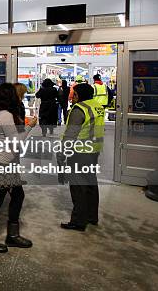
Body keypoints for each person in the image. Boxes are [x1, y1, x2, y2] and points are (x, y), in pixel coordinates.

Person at [0, 83, 37, 253]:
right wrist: (30, 126)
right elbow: (16, 142)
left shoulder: (2, 114)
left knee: (16, 196)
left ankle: (11, 235)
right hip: (3, 164)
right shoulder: (5, 116)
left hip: (4, 162)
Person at [60, 83, 104, 232]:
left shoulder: (79, 109)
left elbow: (70, 135)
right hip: (94, 150)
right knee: (91, 184)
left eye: (74, 94)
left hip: (79, 152)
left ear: (79, 95)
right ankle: (92, 216)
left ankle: (79, 221)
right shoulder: (97, 106)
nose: (72, 97)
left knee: (78, 187)